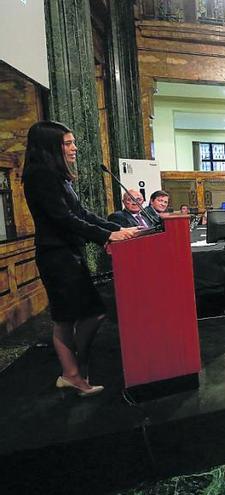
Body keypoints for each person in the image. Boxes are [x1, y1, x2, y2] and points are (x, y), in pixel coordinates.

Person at [22, 121, 138, 397]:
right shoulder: (39, 175)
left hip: (66, 252)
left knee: (66, 318)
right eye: (68, 143)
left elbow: (82, 213)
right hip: (56, 256)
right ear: (51, 146)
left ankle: (71, 373)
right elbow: (64, 219)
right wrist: (107, 237)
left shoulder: (55, 176)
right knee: (88, 313)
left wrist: (116, 229)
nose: (75, 148)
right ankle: (75, 366)